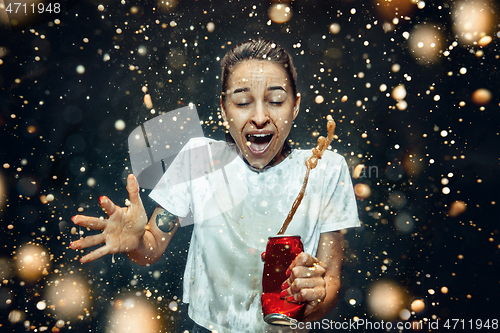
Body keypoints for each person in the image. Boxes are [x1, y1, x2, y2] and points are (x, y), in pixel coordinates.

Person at [70, 38, 359, 333]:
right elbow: (151, 247)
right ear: (223, 109)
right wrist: (135, 242)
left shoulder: (326, 169)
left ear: (295, 107)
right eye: (243, 102)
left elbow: (330, 282)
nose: (260, 117)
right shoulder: (200, 159)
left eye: (275, 101)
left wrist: (312, 297)